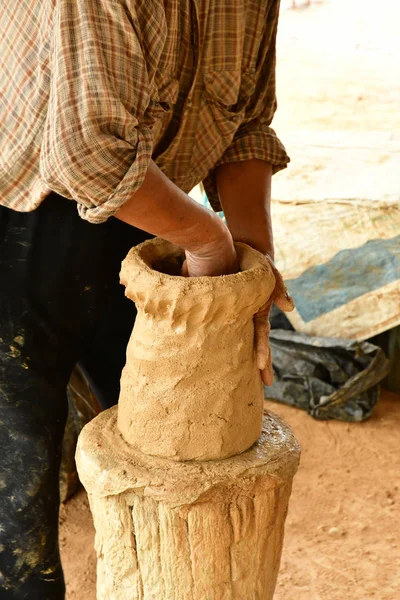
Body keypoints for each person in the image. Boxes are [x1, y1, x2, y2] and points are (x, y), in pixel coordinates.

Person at [0, 0, 293, 597]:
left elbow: (247, 127)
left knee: (170, 447)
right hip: (21, 205)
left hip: (148, 204)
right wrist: (210, 244)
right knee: (20, 453)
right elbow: (85, 153)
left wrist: (251, 256)